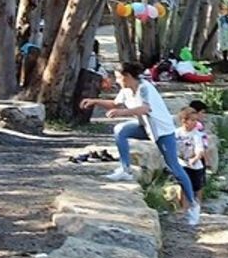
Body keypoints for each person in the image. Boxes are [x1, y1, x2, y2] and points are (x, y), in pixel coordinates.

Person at [80, 62, 198, 224]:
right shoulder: (126, 90)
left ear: (128, 76)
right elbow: (115, 104)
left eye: (119, 77)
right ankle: (125, 169)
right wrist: (94, 101)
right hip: (146, 128)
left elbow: (145, 109)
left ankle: (193, 205)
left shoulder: (144, 88)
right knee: (120, 130)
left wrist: (121, 112)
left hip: (162, 132)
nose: (117, 80)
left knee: (175, 167)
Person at [175, 100, 214, 206]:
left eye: (196, 120)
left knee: (197, 187)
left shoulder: (197, 134)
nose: (195, 123)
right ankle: (184, 208)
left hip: (196, 165)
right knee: (182, 185)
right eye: (192, 120)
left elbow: (200, 149)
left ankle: (197, 207)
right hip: (181, 163)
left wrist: (196, 158)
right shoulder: (176, 133)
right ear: (184, 120)